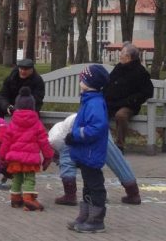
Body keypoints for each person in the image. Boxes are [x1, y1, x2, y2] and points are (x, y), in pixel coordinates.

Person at [50, 114, 142, 206]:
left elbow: (64, 154)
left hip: (80, 128)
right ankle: (133, 193)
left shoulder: (54, 138)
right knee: (116, 159)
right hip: (96, 125)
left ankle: (70, 196)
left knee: (67, 161)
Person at [64, 64, 110, 233]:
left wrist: (75, 135)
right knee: (88, 185)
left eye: (82, 78)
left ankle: (97, 219)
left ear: (89, 82)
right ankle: (85, 215)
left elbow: (97, 127)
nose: (80, 81)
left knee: (95, 185)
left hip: (91, 152)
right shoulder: (88, 99)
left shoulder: (95, 102)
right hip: (85, 153)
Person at [0, 87, 54, 211]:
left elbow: (6, 140)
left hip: (15, 158)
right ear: (32, 107)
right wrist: (48, 156)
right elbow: (43, 140)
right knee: (29, 178)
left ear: (17, 106)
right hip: (30, 158)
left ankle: (15, 198)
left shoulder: (13, 122)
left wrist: (1, 155)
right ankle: (28, 199)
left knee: (17, 177)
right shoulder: (36, 123)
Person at [103, 43, 153, 151]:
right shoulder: (118, 67)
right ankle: (99, 142)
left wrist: (130, 100)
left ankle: (119, 145)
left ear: (128, 57)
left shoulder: (140, 72)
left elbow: (147, 92)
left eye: (122, 53)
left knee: (121, 115)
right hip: (112, 102)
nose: (120, 55)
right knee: (97, 110)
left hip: (129, 105)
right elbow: (109, 83)